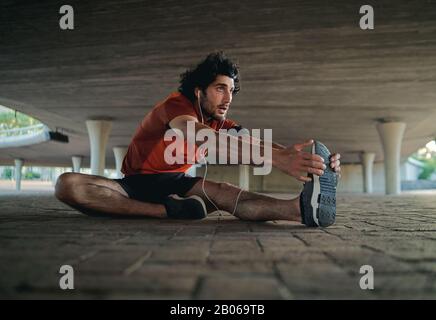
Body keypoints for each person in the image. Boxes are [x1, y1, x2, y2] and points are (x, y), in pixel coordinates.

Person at [55, 52, 341, 227]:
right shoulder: (176, 106)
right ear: (198, 90)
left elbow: (253, 142)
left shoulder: (219, 121)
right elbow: (198, 136)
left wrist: (304, 159)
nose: (228, 98)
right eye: (220, 89)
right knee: (67, 185)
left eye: (231, 91)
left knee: (228, 193)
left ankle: (300, 210)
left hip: (180, 183)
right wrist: (278, 159)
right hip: (134, 185)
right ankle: (164, 212)